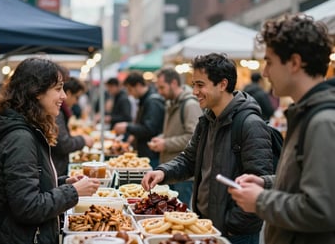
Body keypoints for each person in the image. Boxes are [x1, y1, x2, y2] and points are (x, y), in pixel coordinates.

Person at [141, 53, 273, 244]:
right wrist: (162, 172)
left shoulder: (250, 124)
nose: (194, 91)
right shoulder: (206, 121)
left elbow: (258, 184)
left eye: (200, 85)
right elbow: (189, 159)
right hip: (205, 227)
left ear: (222, 84)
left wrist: (230, 224)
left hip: (235, 234)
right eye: (194, 84)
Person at [228, 14, 335, 244]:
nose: (265, 73)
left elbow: (322, 209)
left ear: (294, 63)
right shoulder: (307, 113)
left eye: (269, 62)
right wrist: (266, 183)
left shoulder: (322, 121)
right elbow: (305, 180)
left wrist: (260, 200)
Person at [0, 57, 100, 244]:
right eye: (58, 89)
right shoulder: (20, 139)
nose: (64, 96)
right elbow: (28, 207)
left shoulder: (26, 129)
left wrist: (63, 182)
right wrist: (72, 192)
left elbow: (26, 185)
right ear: (36, 92)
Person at [148, 68, 202, 206]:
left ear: (173, 83)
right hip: (170, 170)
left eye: (162, 87)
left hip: (184, 174)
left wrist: (165, 143)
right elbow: (172, 132)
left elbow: (193, 137)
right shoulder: (171, 103)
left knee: (180, 213)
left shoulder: (190, 105)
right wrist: (161, 138)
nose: (159, 92)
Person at [113, 71, 165, 169]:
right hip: (148, 151)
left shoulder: (152, 101)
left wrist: (127, 127)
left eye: (130, 89)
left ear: (137, 85)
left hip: (152, 154)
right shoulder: (146, 99)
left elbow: (149, 128)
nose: (129, 93)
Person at [51, 76, 94, 177]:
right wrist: (83, 140)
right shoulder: (57, 114)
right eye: (77, 97)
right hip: (58, 169)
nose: (76, 102)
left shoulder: (61, 113)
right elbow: (63, 144)